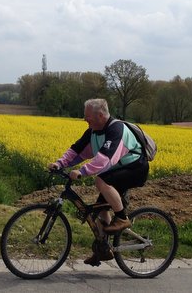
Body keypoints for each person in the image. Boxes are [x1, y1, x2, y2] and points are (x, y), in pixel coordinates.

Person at [48, 98, 149, 266]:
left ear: (100, 115)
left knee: (100, 180)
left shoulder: (116, 129)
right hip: (117, 170)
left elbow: (105, 159)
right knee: (101, 210)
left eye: (87, 116)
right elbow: (77, 150)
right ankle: (103, 249)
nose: (84, 119)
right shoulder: (93, 130)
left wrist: (82, 172)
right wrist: (60, 163)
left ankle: (122, 218)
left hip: (135, 169)